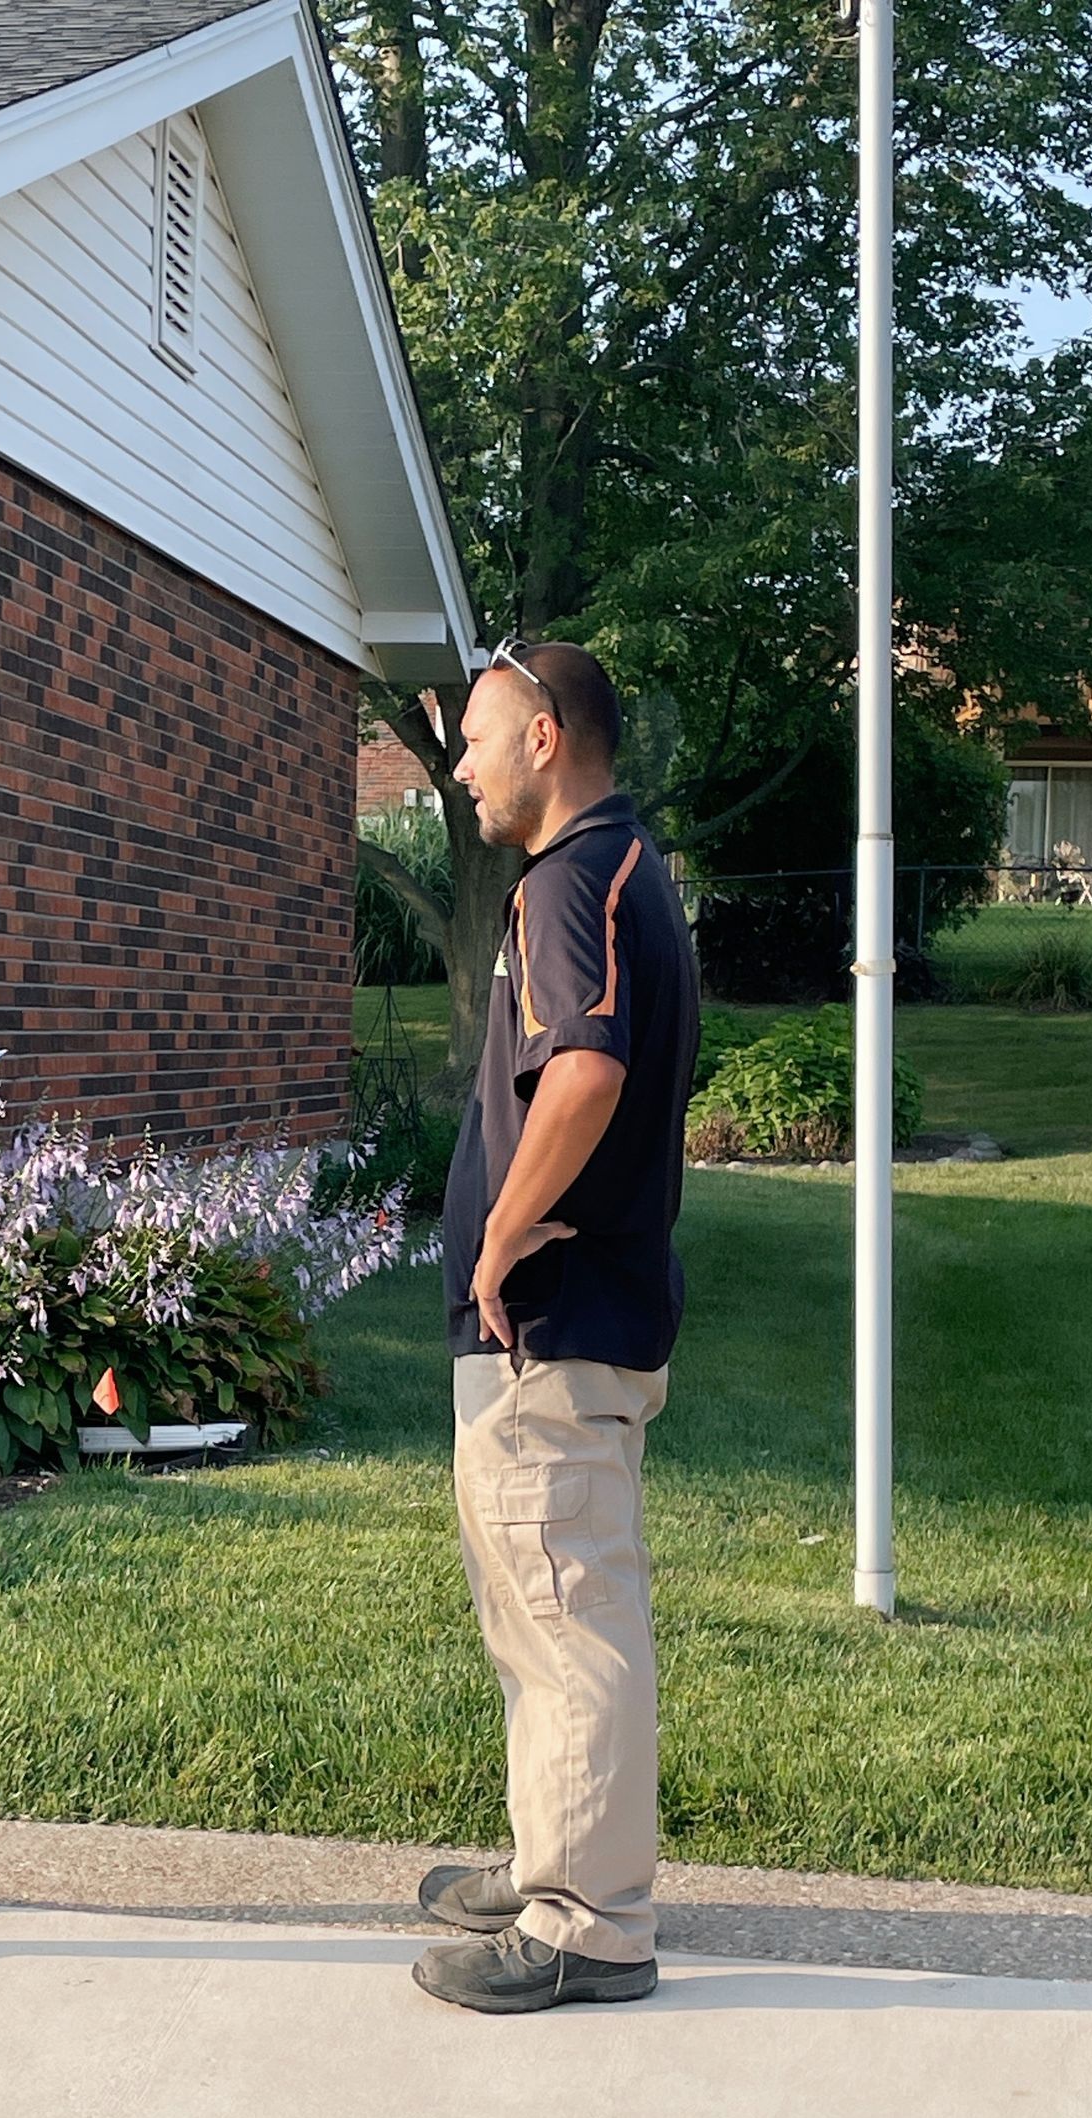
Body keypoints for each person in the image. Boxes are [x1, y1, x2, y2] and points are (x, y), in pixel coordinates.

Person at [412, 640, 698, 2017]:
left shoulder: (569, 881)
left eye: (475, 740)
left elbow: (584, 1067)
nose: (458, 769)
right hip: (582, 1320)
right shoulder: (621, 866)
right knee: (541, 1607)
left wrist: (507, 1231)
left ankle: (588, 1922)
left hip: (557, 1320)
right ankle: (550, 1862)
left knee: (569, 1610)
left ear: (545, 740)